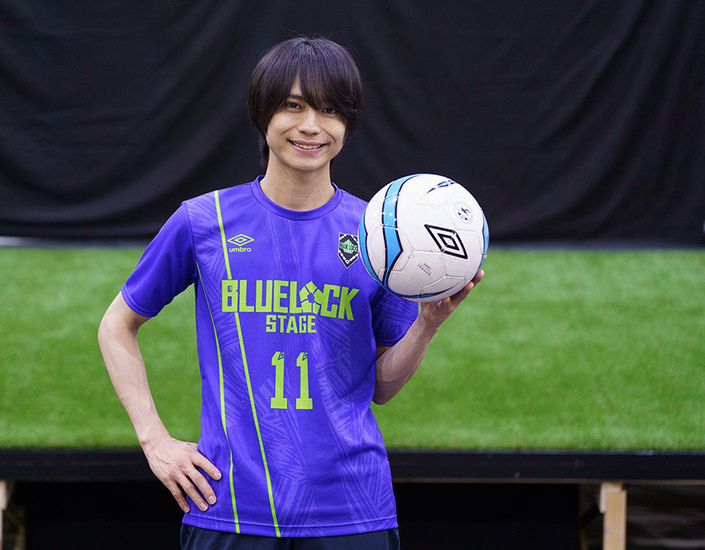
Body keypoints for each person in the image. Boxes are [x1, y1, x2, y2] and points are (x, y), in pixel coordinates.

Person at [98, 36, 483, 550]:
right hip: (231, 508)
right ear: (263, 114)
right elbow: (116, 326)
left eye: (330, 110)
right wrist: (155, 441)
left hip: (352, 511)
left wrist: (427, 325)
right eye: (293, 106)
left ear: (347, 123)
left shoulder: (380, 237)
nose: (311, 126)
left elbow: (381, 387)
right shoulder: (205, 221)